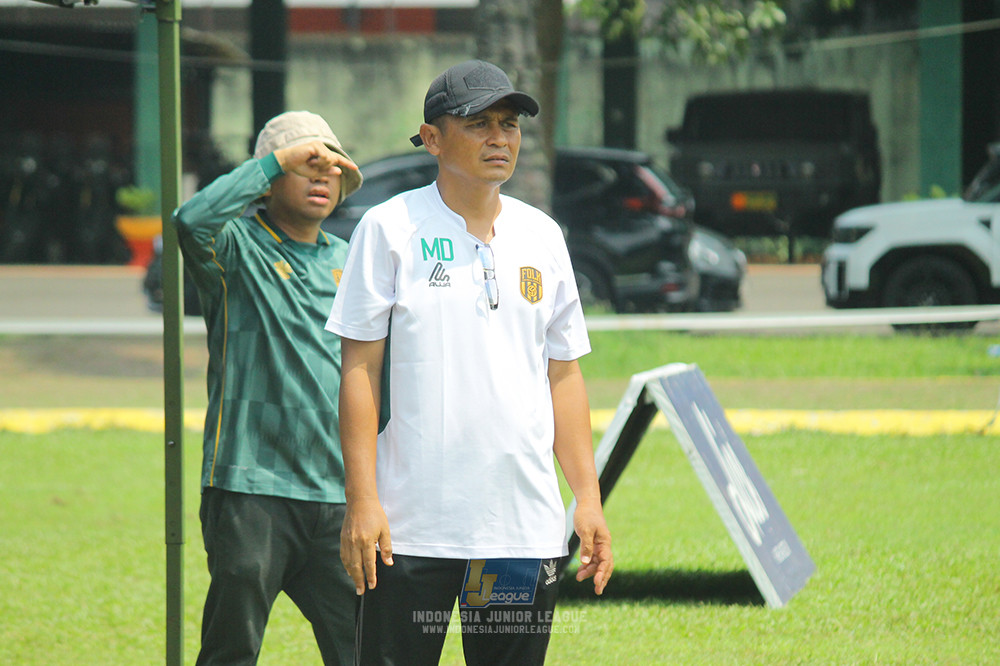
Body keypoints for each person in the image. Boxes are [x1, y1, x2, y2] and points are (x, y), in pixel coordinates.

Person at [326, 60, 614, 665]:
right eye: (478, 123)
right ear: (432, 138)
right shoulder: (388, 229)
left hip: (520, 532)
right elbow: (358, 372)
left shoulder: (543, 235)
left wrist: (585, 497)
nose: (499, 139)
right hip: (407, 529)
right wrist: (363, 501)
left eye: (508, 125)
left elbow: (563, 374)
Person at [171, 110, 363, 666]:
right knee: (232, 649)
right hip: (249, 487)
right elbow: (190, 220)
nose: (321, 175)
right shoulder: (234, 248)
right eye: (306, 164)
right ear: (271, 177)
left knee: (365, 647)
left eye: (331, 167)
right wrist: (275, 159)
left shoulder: (351, 261)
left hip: (338, 495)